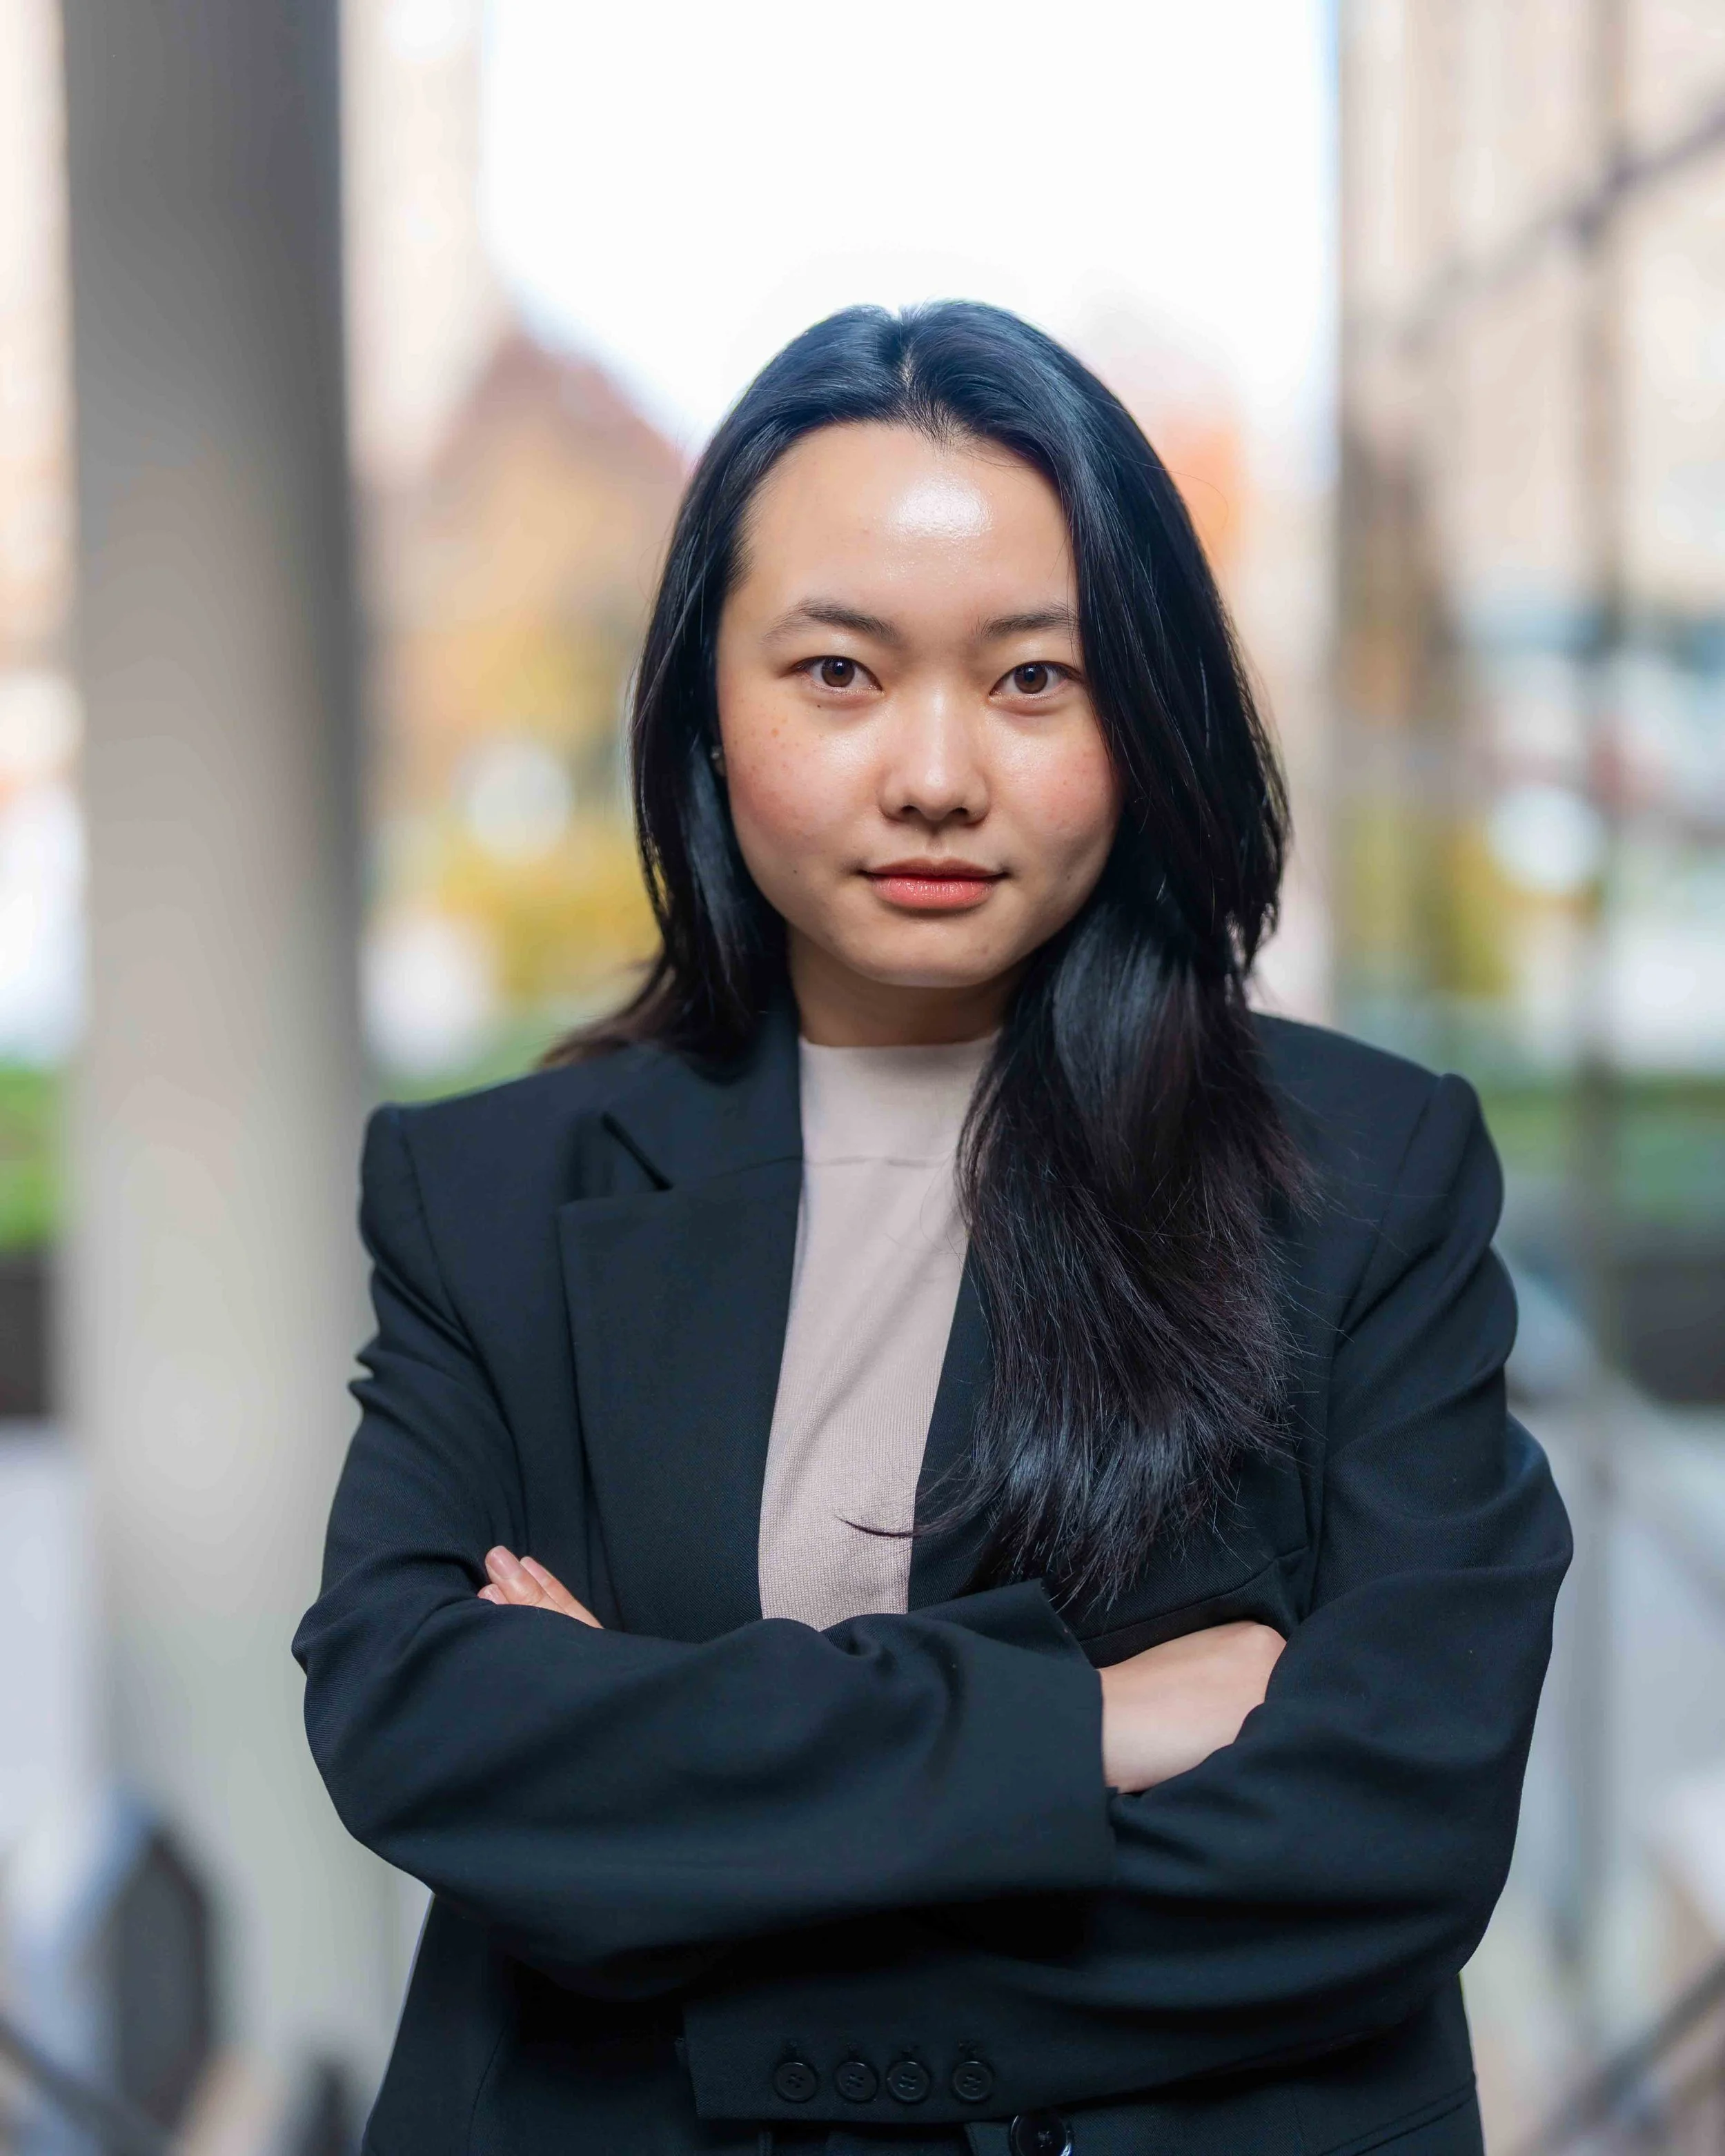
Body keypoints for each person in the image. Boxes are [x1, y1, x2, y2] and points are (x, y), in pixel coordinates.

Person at [294, 301, 1572, 2156]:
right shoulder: (492, 1191)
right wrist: (1079, 1732)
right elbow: (420, 1718)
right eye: (835, 672)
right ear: (703, 705)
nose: (934, 773)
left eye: (1033, 679)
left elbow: (1386, 1821)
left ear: (1142, 711)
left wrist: (671, 1796)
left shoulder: (1366, 1176)